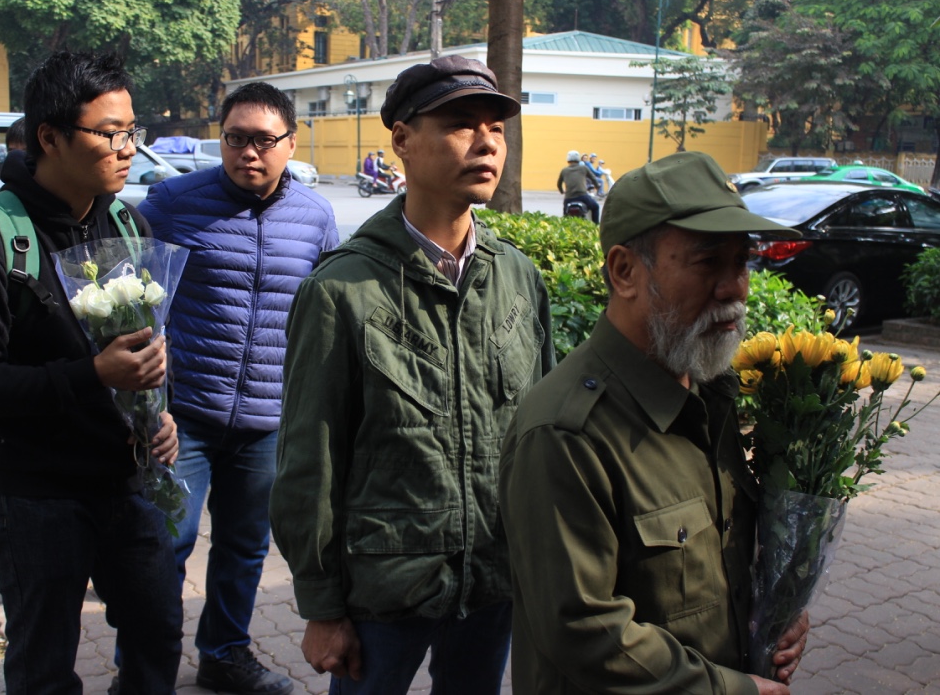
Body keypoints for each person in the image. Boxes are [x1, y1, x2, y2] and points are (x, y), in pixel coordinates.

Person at [270, 54, 556, 694]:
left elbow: (543, 435)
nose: (486, 142)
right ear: (402, 139)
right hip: (385, 587)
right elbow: (309, 461)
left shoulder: (517, 278)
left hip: (494, 577)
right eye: (460, 124)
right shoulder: (342, 290)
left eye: (496, 128)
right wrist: (322, 605)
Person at [499, 151, 810, 695]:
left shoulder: (713, 393)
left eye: (741, 262)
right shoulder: (566, 434)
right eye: (708, 262)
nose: (735, 288)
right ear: (625, 272)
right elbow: (585, 631)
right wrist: (730, 689)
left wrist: (775, 612)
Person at [0, 51, 182, 694]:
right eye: (109, 133)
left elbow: (149, 342)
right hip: (34, 493)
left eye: (132, 131)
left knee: (157, 633)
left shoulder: (127, 224)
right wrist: (92, 374)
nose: (128, 149)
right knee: (44, 662)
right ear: (50, 137)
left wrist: (162, 411)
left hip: (128, 482)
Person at [138, 81, 338, 695]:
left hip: (268, 422)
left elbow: (326, 315)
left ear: (291, 143)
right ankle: (143, 668)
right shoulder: (171, 202)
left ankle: (224, 654)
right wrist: (150, 407)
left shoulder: (316, 216)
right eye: (235, 138)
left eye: (264, 140)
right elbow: (137, 305)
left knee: (245, 547)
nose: (249, 152)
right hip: (185, 417)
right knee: (164, 545)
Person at [557, 149, 599, 220]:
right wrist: (597, 186)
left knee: (565, 214)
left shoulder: (564, 170)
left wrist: (562, 191)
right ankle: (596, 225)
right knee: (595, 207)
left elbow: (559, 184)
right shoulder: (583, 168)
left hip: (569, 198)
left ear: (568, 160)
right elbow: (593, 178)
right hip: (582, 196)